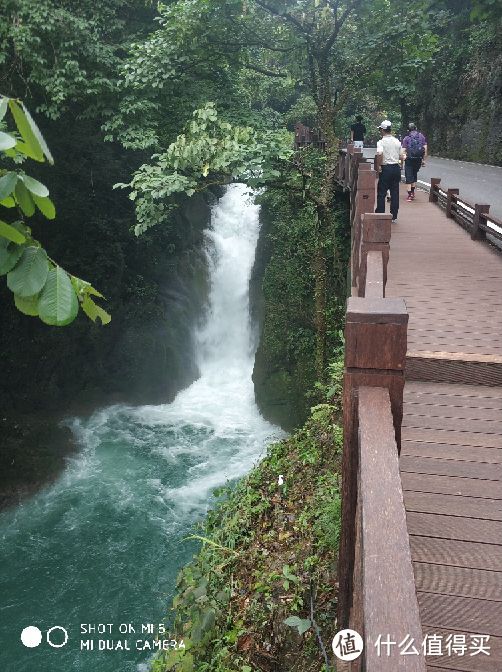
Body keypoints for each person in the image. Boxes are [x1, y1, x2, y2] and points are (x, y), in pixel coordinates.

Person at [375, 120, 405, 223]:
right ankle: (394, 216)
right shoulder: (397, 141)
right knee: (395, 192)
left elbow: (379, 154)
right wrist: (401, 165)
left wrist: (379, 166)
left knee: (382, 192)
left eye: (380, 130)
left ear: (382, 130)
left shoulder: (381, 142)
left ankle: (380, 214)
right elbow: (401, 156)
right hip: (396, 168)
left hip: (386, 168)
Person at [402, 123, 427, 201]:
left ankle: (410, 195)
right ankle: (412, 192)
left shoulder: (406, 138)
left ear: (408, 130)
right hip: (418, 159)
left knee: (409, 176)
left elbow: (403, 151)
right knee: (414, 174)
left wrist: (402, 161)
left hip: (409, 159)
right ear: (416, 128)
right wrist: (423, 160)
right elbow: (425, 149)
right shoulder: (421, 136)